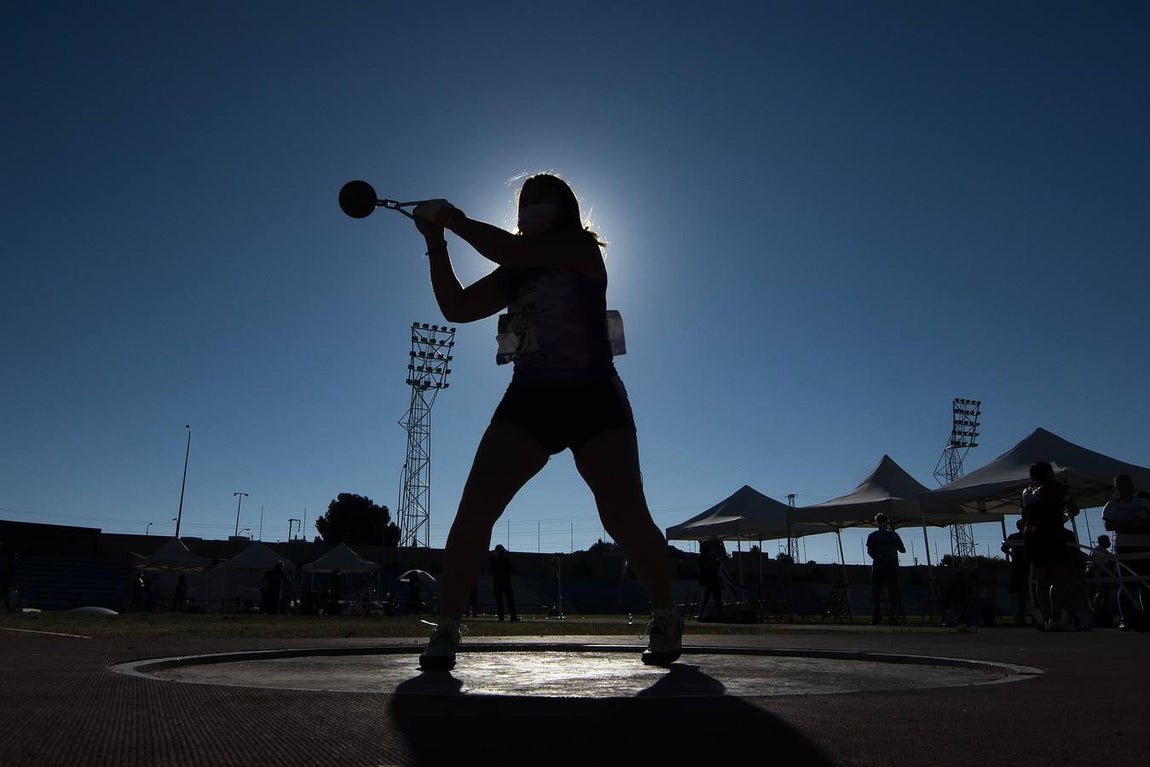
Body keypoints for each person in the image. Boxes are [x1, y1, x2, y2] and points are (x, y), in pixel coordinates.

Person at [410, 173, 682, 670]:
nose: (532, 206)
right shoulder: (513, 271)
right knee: (475, 510)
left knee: (623, 513)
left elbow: (510, 251)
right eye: (526, 199)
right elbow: (456, 307)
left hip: (594, 396)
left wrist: (453, 219)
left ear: (565, 209)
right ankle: (447, 627)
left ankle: (665, 614)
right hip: (530, 398)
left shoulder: (579, 248)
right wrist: (435, 243)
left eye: (543, 198)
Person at [1020, 461, 1079, 631]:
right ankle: (1055, 615)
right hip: (1051, 533)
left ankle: (1045, 616)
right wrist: (1064, 517)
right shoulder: (1055, 487)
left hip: (1031, 534)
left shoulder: (1026, 492)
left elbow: (1024, 516)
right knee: (1059, 576)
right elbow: (1074, 508)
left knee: (1042, 577)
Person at [1101, 475, 1150, 631]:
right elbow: (1108, 525)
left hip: (1145, 545)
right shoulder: (1112, 505)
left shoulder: (1143, 503)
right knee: (1127, 582)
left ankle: (1147, 615)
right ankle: (1125, 617)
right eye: (1121, 485)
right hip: (1125, 546)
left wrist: (1140, 523)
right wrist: (1127, 523)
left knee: (1146, 582)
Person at [866, 513, 905, 625]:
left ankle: (884, 616)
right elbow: (870, 551)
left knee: (882, 593)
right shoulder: (890, 535)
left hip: (884, 567)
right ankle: (885, 615)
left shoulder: (890, 535)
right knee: (883, 593)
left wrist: (880, 557)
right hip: (884, 567)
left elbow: (902, 549)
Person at [1001, 519, 1031, 625]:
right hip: (1021, 566)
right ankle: (1020, 617)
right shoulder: (1015, 537)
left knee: (1023, 593)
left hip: (1025, 565)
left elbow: (1004, 548)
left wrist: (1010, 554)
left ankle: (1023, 616)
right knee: (1021, 594)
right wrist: (1011, 554)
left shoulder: (1015, 537)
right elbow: (1004, 547)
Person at [696, 538, 725, 620]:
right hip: (707, 580)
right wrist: (715, 561)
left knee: (717, 599)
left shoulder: (711, 556)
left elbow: (716, 565)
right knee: (705, 599)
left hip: (712, 580)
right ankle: (701, 615)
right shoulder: (702, 557)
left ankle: (720, 614)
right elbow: (705, 565)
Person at [490, 544, 518, 622]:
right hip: (506, 582)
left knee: (500, 601)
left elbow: (492, 570)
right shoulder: (506, 560)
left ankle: (501, 617)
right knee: (509, 600)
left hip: (498, 582)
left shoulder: (494, 561)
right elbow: (512, 569)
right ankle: (513, 616)